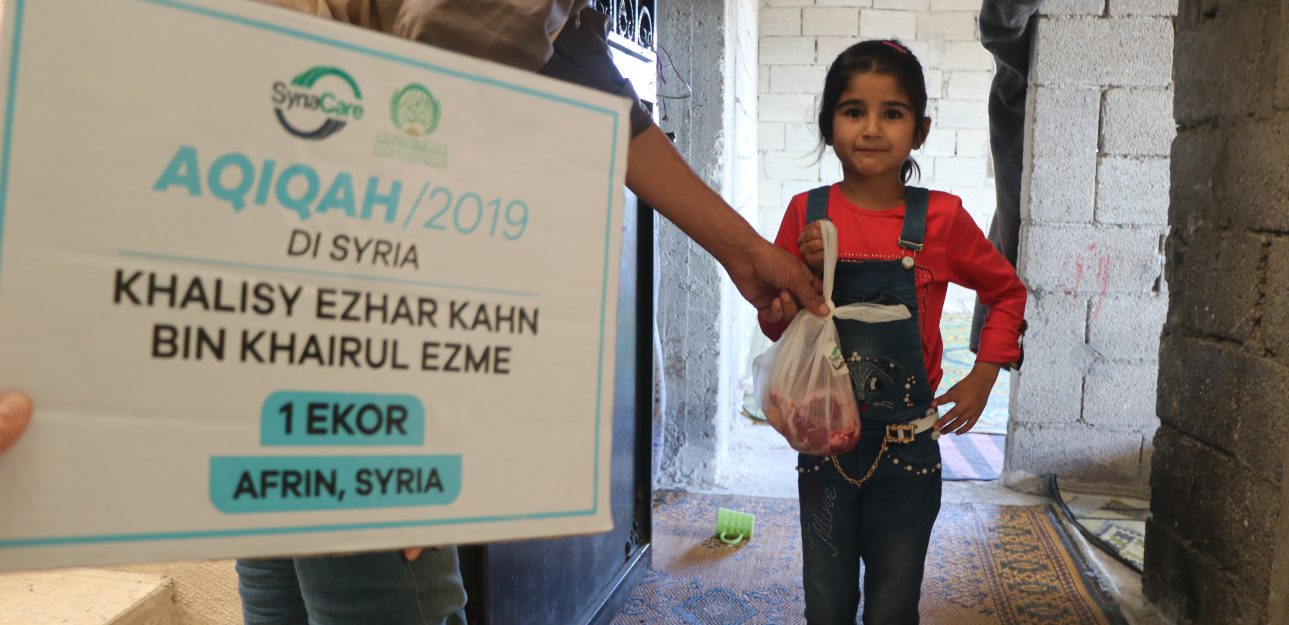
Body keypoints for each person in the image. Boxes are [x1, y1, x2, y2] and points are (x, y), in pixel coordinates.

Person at [4, 3, 826, 624]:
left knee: (288, 549)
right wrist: (408, 372)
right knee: (378, 580)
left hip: (244, 244)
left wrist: (740, 249)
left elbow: (586, 81)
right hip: (321, 268)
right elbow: (431, 106)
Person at [758, 40, 1026, 624]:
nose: (872, 128)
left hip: (908, 453)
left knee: (893, 604)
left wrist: (984, 374)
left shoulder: (943, 219)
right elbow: (774, 322)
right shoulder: (805, 213)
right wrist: (801, 279)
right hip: (824, 446)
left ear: (921, 129)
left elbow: (1007, 291)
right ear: (828, 124)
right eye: (854, 111)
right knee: (826, 601)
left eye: (893, 113)